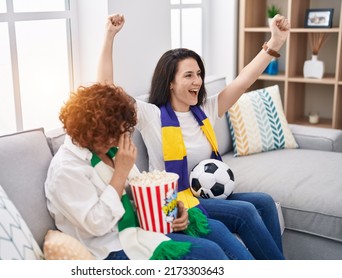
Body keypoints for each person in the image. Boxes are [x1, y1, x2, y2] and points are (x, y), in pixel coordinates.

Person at [98, 13, 290, 260]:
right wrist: (109, 35)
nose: (197, 81)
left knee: (263, 201)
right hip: (177, 200)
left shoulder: (206, 110)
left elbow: (243, 82)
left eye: (199, 74)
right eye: (188, 75)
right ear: (169, 82)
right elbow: (105, 89)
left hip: (206, 194)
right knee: (245, 212)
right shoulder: (151, 115)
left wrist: (274, 43)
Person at [44, 82, 257, 260]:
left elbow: (145, 195)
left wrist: (174, 210)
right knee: (209, 252)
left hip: (140, 228)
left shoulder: (108, 149)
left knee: (214, 229)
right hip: (111, 246)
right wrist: (120, 172)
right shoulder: (66, 170)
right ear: (91, 131)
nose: (118, 139)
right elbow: (97, 225)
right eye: (112, 134)